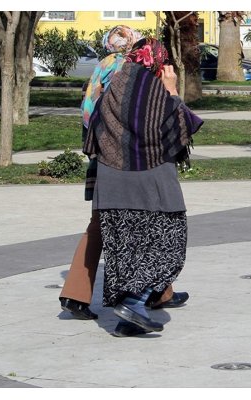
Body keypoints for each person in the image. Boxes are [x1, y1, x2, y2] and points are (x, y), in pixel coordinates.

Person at [59, 27, 187, 334]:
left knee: (117, 230)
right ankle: (136, 298)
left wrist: (103, 145)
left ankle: (151, 295)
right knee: (151, 231)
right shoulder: (145, 83)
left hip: (107, 157)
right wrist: (172, 91)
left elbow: (90, 110)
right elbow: (173, 129)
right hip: (139, 165)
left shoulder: (108, 72)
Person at [83, 37, 203, 335]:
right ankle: (134, 301)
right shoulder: (156, 90)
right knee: (170, 243)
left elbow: (92, 130)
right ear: (158, 61)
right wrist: (173, 90)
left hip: (112, 184)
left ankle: (128, 322)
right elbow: (179, 132)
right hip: (152, 183)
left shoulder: (113, 86)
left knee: (126, 249)